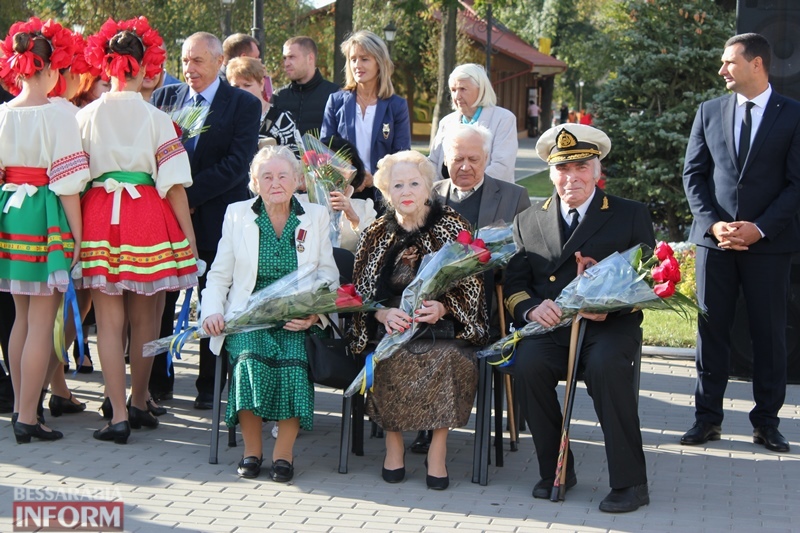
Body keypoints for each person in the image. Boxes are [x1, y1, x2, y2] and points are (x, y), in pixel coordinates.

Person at [504, 124, 653, 512]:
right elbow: (515, 286)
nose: (572, 178)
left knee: (605, 368)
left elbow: (648, 282)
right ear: (551, 173)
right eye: (563, 170)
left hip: (609, 328)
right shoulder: (528, 220)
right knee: (528, 364)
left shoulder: (629, 215)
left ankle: (630, 483)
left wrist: (608, 305)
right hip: (553, 326)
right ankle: (556, 469)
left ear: (597, 171)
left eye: (582, 167)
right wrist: (531, 308)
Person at [77, 17, 199, 444]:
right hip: (148, 214)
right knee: (146, 315)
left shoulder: (86, 115)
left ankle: (117, 416)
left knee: (108, 322)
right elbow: (175, 182)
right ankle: (140, 398)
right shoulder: (155, 117)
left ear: (106, 63)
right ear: (144, 64)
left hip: (99, 215)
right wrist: (188, 236)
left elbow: (73, 182)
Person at [681, 33, 800, 453]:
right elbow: (693, 175)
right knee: (710, 331)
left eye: (729, 62)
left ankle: (767, 423)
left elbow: (795, 184)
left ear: (757, 64)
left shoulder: (793, 115)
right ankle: (706, 420)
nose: (721, 70)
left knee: (769, 335)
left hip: (768, 246)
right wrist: (713, 225)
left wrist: (760, 228)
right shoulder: (709, 111)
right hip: (714, 245)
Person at [347, 150, 489, 490]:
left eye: (414, 183)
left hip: (444, 328)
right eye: (398, 185)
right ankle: (393, 445)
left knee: (450, 360)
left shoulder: (453, 225)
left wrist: (444, 308)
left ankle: (437, 450)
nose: (406, 191)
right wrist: (380, 312)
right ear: (386, 192)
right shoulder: (376, 233)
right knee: (387, 357)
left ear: (428, 188)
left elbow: (473, 284)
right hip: (390, 327)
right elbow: (360, 291)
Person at [201, 145, 338, 481]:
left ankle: (284, 453)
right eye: (267, 176)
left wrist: (313, 315)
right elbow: (219, 276)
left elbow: (328, 275)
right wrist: (212, 313)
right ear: (254, 182)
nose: (275, 183)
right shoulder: (237, 214)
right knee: (249, 359)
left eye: (282, 175)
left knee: (294, 361)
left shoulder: (315, 215)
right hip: (248, 318)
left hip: (297, 318)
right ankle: (252, 451)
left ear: (297, 180)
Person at [151, 32, 260, 410]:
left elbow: (237, 164)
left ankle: (209, 388)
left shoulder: (243, 104)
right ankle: (156, 382)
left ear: (218, 63)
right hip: (167, 221)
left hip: (215, 220)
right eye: (184, 60)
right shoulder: (165, 99)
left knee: (213, 301)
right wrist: (175, 200)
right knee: (160, 303)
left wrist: (189, 197)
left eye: (197, 61)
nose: (189, 68)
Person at [0, 17, 90, 443]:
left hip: (11, 213)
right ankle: (27, 416)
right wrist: (78, 237)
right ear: (52, 70)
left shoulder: (1, 113)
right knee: (42, 320)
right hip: (46, 214)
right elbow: (69, 185)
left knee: (21, 317)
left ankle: (23, 408)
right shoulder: (59, 116)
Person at [321, 30, 411, 213]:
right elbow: (325, 151)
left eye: (364, 59)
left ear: (379, 63)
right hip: (342, 195)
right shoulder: (336, 101)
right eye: (353, 59)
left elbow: (402, 158)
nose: (357, 65)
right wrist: (353, 177)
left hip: (383, 197)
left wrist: (374, 179)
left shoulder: (397, 106)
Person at [429, 63, 518, 183]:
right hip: (447, 197)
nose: (457, 96)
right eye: (453, 90)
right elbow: (433, 164)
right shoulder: (446, 122)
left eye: (463, 89)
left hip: (489, 197)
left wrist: (467, 189)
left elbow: (502, 167)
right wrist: (443, 191)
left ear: (481, 90)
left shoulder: (503, 119)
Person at [296, 136, 376, 253]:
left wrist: (353, 218)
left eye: (345, 167)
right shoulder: (298, 203)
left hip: (348, 270)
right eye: (331, 165)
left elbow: (375, 248)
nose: (338, 172)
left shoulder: (364, 207)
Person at [226, 57, 299, 154]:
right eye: (236, 86)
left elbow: (295, 160)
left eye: (247, 85)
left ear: (261, 84)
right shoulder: (226, 117)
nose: (241, 91)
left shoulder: (282, 118)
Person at [273, 36, 339, 135]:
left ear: (310, 58)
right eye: (285, 58)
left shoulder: (334, 95)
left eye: (292, 57)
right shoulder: (278, 97)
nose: (286, 63)